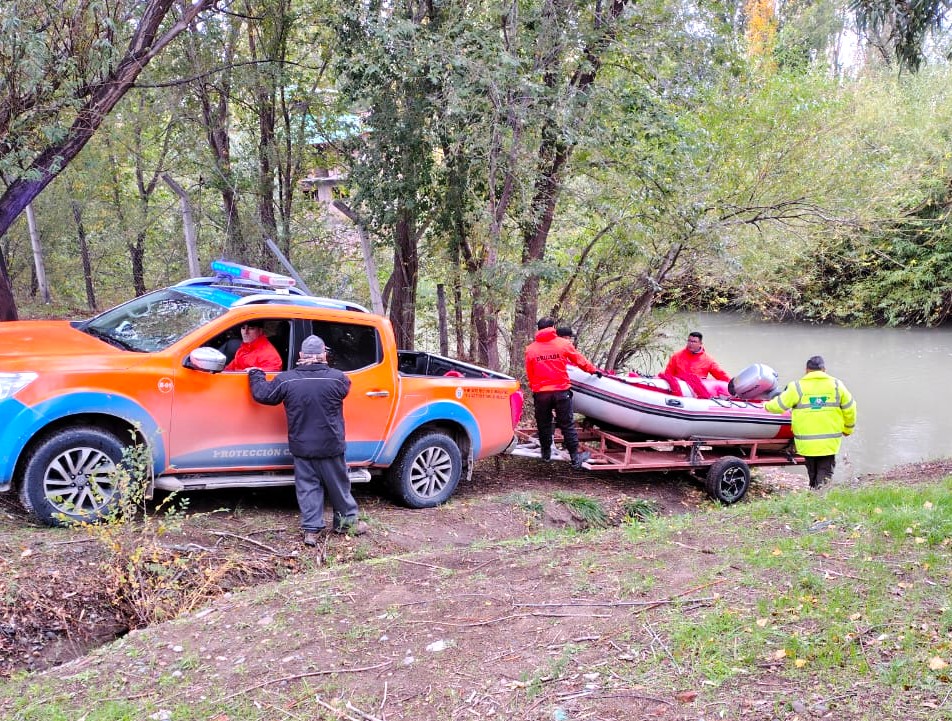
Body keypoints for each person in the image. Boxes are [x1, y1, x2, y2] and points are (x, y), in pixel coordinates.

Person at [248, 335, 368, 546]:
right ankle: (346, 524)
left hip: (302, 446)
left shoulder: (286, 380)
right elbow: (343, 390)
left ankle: (312, 531)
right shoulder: (338, 379)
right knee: (339, 486)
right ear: (323, 355)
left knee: (307, 487)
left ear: (301, 355)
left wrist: (255, 374)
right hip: (331, 445)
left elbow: (263, 395)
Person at [765, 355, 856, 489]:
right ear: (824, 369)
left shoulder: (797, 387)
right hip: (829, 442)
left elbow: (778, 406)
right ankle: (819, 495)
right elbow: (850, 408)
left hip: (806, 443)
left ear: (806, 370)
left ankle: (815, 493)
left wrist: (765, 406)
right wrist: (848, 429)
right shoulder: (837, 385)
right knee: (825, 472)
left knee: (812, 472)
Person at [525, 318, 600, 468]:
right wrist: (593, 370)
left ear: (538, 329)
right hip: (561, 391)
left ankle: (546, 454)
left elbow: (530, 372)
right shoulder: (563, 344)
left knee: (544, 424)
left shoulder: (531, 349)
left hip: (541, 393)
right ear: (553, 327)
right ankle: (575, 458)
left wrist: (535, 389)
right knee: (567, 425)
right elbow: (580, 360)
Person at [664, 331, 730, 382]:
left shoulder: (708, 360)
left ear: (700, 343)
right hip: (680, 388)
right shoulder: (676, 356)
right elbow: (668, 374)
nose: (691, 343)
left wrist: (732, 384)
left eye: (694, 341)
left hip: (698, 391)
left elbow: (721, 375)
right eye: (689, 341)